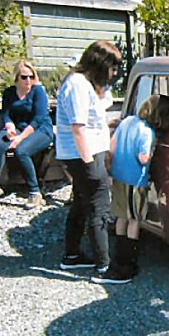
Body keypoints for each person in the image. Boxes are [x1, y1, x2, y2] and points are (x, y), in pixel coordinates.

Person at [91, 95, 169, 284]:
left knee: (121, 216)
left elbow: (112, 146)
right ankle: (127, 263)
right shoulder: (147, 132)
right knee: (134, 220)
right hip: (135, 180)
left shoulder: (128, 121)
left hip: (119, 176)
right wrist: (153, 153)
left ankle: (118, 258)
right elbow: (143, 157)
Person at [55, 40, 121, 275]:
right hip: (83, 155)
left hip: (87, 152)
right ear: (100, 63)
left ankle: (72, 255)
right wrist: (89, 163)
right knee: (99, 206)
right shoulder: (78, 85)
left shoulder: (86, 84)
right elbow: (78, 128)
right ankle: (104, 265)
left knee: (82, 205)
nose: (113, 73)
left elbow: (93, 118)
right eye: (111, 67)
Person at [0, 60, 54, 208]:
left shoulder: (38, 92)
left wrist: (20, 138)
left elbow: (38, 120)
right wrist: (9, 125)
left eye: (31, 77)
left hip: (41, 130)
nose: (28, 80)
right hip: (18, 127)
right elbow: (6, 113)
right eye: (24, 77)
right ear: (17, 77)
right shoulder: (9, 93)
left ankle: (35, 192)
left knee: (21, 151)